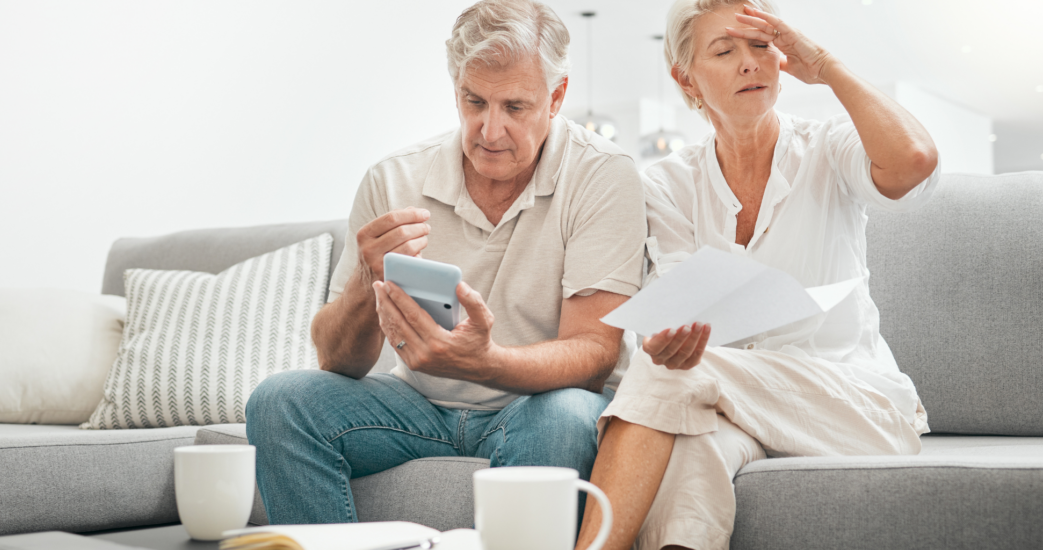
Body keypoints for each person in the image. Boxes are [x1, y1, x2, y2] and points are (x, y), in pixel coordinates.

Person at [245, 0, 647, 525]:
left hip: (537, 405)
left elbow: (594, 353)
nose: (489, 129)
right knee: (279, 402)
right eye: (474, 101)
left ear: (557, 96)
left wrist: (485, 362)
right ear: (455, 85)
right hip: (417, 405)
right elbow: (337, 362)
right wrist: (368, 279)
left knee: (566, 417)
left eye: (515, 107)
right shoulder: (392, 180)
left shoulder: (603, 176)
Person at [575, 1, 940, 549]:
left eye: (763, 46)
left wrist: (825, 66)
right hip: (735, 404)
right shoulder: (668, 184)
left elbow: (913, 160)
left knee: (667, 379)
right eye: (724, 51)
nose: (750, 63)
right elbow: (680, 307)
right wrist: (671, 340)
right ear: (686, 78)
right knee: (689, 454)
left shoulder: (828, 146)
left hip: (852, 404)